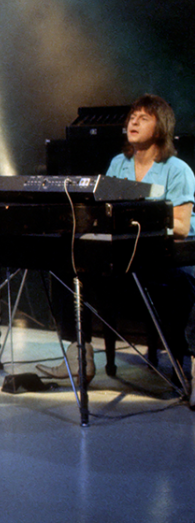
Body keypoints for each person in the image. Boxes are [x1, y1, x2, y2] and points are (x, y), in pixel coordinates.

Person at [38, 94, 194, 384]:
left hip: (164, 260)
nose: (133, 121)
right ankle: (79, 355)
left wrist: (136, 217)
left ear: (161, 128)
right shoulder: (117, 164)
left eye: (143, 117)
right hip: (125, 258)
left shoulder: (178, 169)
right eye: (132, 116)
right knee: (66, 266)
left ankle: (183, 363)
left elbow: (183, 226)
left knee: (184, 283)